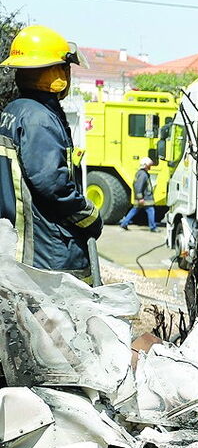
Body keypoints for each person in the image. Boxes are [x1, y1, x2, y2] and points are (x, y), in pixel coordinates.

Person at [0, 25, 102, 277]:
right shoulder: (39, 119)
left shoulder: (13, 111)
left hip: (17, 247)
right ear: (57, 73)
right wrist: (90, 216)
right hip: (47, 257)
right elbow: (53, 186)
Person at [119, 157, 157, 231]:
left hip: (142, 198)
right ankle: (153, 227)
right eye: (149, 165)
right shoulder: (143, 174)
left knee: (134, 210)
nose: (150, 166)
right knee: (151, 210)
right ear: (145, 165)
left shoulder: (141, 173)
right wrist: (140, 198)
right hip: (145, 199)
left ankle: (124, 223)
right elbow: (139, 186)